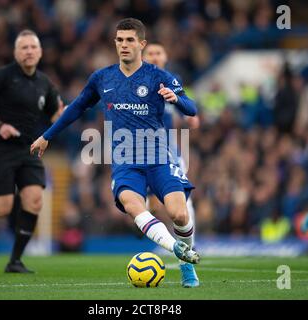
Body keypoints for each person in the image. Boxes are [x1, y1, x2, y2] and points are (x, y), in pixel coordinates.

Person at [31, 18, 200, 288]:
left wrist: (176, 99)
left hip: (159, 158)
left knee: (179, 215)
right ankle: (179, 251)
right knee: (136, 206)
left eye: (130, 40)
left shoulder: (159, 76)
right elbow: (74, 109)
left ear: (141, 44)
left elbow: (191, 109)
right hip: (126, 162)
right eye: (120, 40)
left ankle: (186, 268)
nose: (124, 45)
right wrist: (46, 136)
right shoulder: (102, 78)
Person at [0, 30, 63, 273]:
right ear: (16, 53)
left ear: (40, 52)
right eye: (23, 47)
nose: (28, 51)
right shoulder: (2, 76)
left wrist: (64, 113)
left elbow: (55, 113)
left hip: (29, 148)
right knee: (0, 209)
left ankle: (14, 261)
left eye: (33, 47)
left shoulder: (45, 83)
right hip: (0, 147)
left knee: (34, 200)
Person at [142, 42, 199, 247]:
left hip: (167, 150)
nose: (155, 56)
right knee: (154, 207)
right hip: (138, 150)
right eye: (150, 53)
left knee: (181, 201)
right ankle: (166, 240)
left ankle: (188, 245)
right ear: (142, 57)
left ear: (165, 57)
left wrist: (189, 117)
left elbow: (183, 105)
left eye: (158, 53)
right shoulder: (135, 83)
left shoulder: (172, 81)